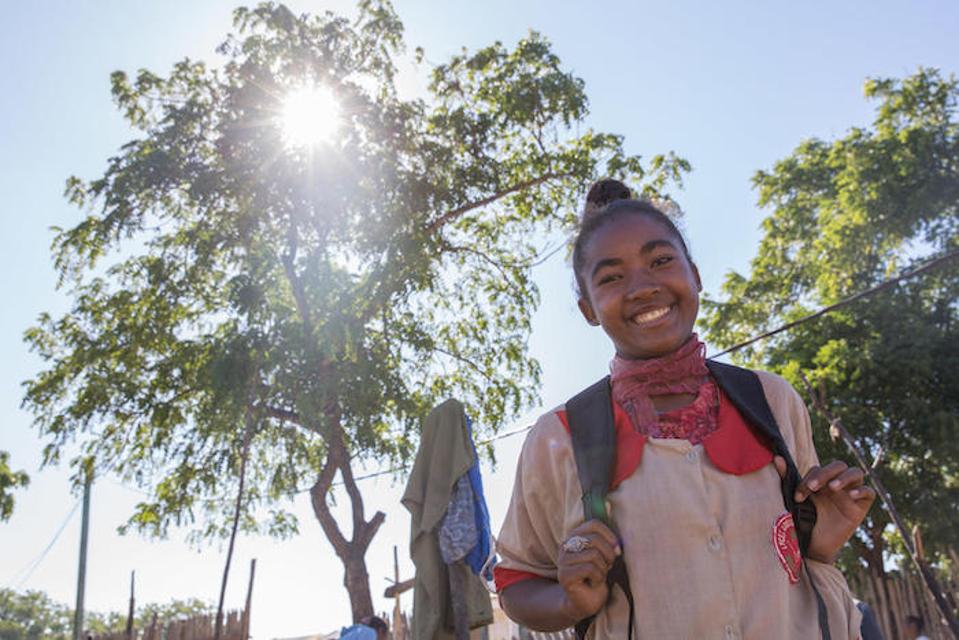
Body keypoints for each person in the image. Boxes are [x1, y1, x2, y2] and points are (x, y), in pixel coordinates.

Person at [493, 179, 877, 638]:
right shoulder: (561, 437)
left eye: (660, 261)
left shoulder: (772, 400)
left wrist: (824, 538)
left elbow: (795, 558)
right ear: (587, 309)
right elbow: (516, 582)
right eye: (611, 277)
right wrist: (568, 598)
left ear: (694, 274)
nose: (642, 287)